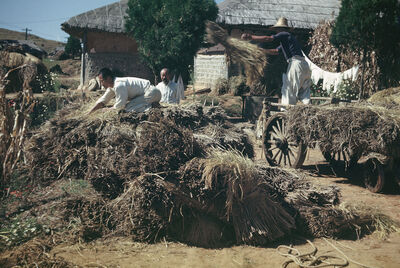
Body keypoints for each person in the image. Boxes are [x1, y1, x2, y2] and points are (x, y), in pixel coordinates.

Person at [241, 17, 312, 106]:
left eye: (277, 30)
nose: (276, 32)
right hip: (304, 66)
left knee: (288, 91)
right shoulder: (288, 40)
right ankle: (309, 109)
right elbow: (275, 52)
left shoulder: (285, 34)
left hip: (296, 64)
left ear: (280, 29)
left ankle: (286, 114)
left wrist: (251, 37)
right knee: (304, 93)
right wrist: (259, 50)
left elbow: (268, 39)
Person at [88, 68, 161, 114]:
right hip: (151, 94)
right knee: (129, 105)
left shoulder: (119, 85)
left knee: (127, 108)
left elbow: (120, 106)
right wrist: (90, 112)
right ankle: (151, 104)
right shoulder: (112, 87)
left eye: (102, 81)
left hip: (152, 92)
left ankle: (151, 106)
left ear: (108, 78)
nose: (101, 84)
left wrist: (107, 110)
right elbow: (103, 100)